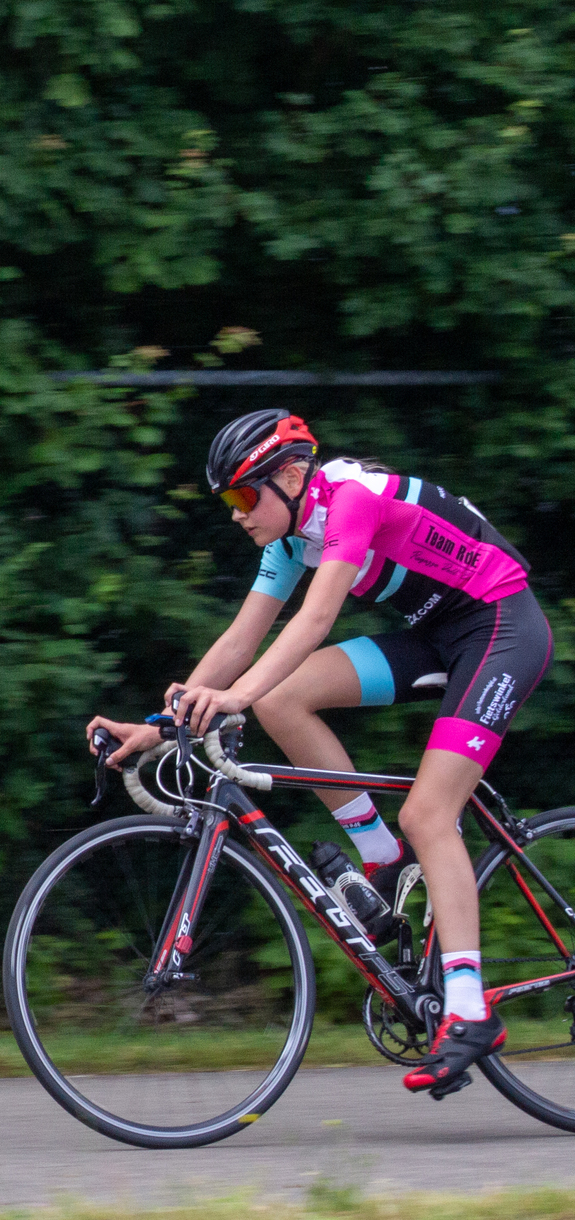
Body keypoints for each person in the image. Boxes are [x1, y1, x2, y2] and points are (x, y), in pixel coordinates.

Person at [88, 410, 552, 1097]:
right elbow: (241, 644)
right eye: (229, 502)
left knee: (429, 815)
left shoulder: (350, 498)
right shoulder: (289, 539)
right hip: (438, 632)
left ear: (292, 475)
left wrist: (233, 698)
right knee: (281, 699)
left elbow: (313, 621)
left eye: (246, 496)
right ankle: (383, 859)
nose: (239, 515)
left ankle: (468, 1008)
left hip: (502, 624)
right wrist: (158, 725)